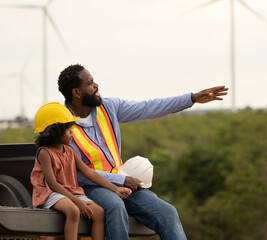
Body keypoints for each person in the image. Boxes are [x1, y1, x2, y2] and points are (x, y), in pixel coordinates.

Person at [57, 64, 228, 240]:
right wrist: (121, 180)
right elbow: (78, 174)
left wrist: (191, 98)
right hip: (90, 187)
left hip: (121, 183)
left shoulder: (109, 107)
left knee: (168, 212)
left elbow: (148, 107)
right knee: (115, 206)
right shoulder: (62, 125)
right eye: (90, 83)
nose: (96, 85)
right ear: (76, 93)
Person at [30, 102, 132, 240]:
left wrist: (115, 189)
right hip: (50, 193)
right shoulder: (45, 153)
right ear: (56, 131)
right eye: (69, 130)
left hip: (71, 192)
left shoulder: (70, 151)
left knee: (99, 212)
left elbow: (90, 173)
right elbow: (52, 184)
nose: (72, 133)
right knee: (73, 211)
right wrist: (77, 202)